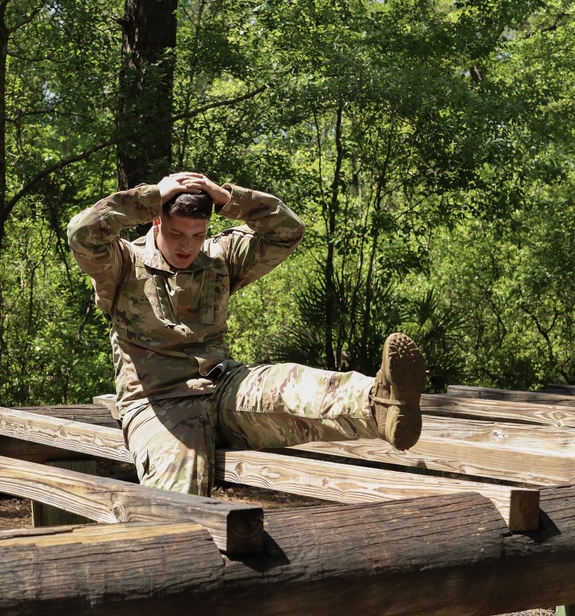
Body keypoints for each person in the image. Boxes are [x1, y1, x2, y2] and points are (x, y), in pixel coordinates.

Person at [67, 172, 426, 496]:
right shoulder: (121, 262)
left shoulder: (220, 256)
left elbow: (288, 231)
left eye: (198, 234)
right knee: (178, 491)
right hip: (158, 403)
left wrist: (227, 199)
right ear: (157, 223)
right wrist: (150, 195)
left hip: (224, 387)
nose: (187, 246)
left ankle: (380, 405)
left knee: (289, 385)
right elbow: (81, 233)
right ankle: (177, 562)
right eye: (177, 233)